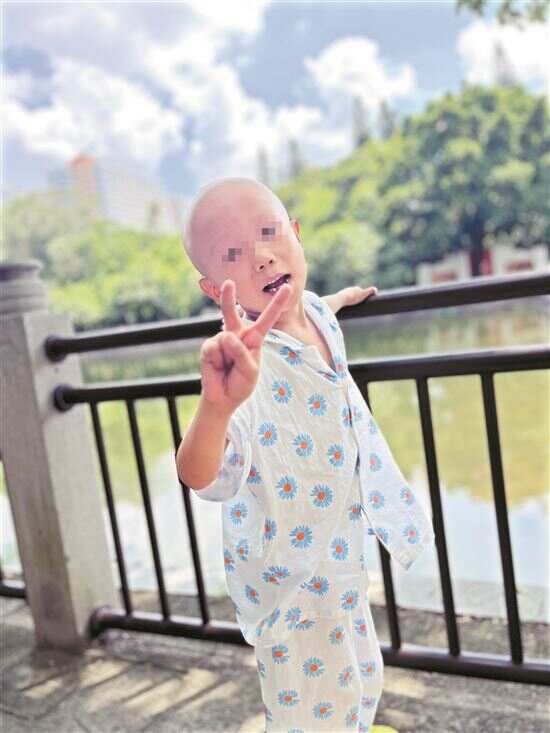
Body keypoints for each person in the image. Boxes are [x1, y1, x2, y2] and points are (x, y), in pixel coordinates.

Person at [176, 177, 435, 733]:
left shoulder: (314, 313)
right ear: (212, 288)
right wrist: (216, 407)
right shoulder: (246, 365)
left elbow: (322, 304)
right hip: (289, 578)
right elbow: (199, 474)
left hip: (339, 548)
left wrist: (347, 297)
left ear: (296, 234)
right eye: (233, 254)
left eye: (270, 233)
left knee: (362, 676)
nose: (261, 256)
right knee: (309, 708)